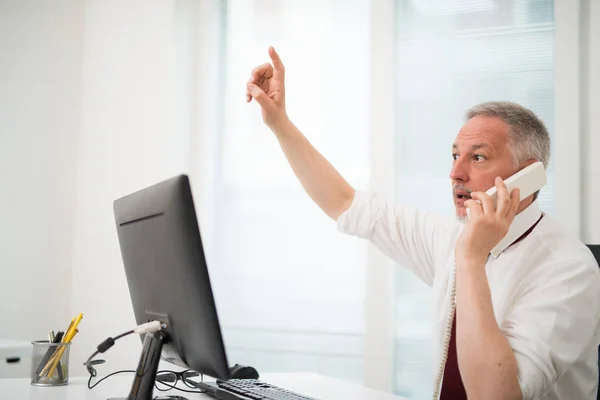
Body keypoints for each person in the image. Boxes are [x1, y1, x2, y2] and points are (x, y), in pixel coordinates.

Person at [245, 47, 600, 400]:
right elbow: (344, 202)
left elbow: (495, 396)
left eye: (478, 157)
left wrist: (471, 259)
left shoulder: (568, 270)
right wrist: (279, 124)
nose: (455, 173)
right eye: (454, 156)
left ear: (528, 175)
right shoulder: (452, 237)